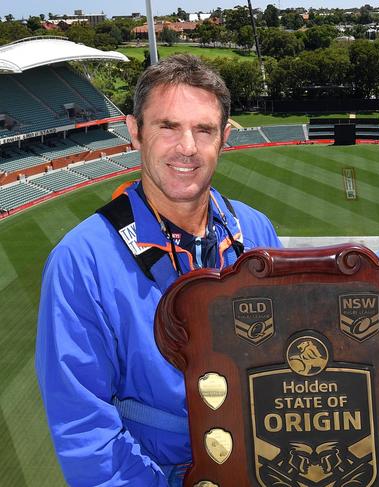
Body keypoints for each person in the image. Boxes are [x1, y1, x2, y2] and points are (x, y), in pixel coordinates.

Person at [35, 54, 281, 486]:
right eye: (168, 126)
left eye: (203, 129)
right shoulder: (81, 260)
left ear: (224, 138)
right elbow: (83, 427)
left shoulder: (255, 228)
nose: (187, 146)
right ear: (135, 132)